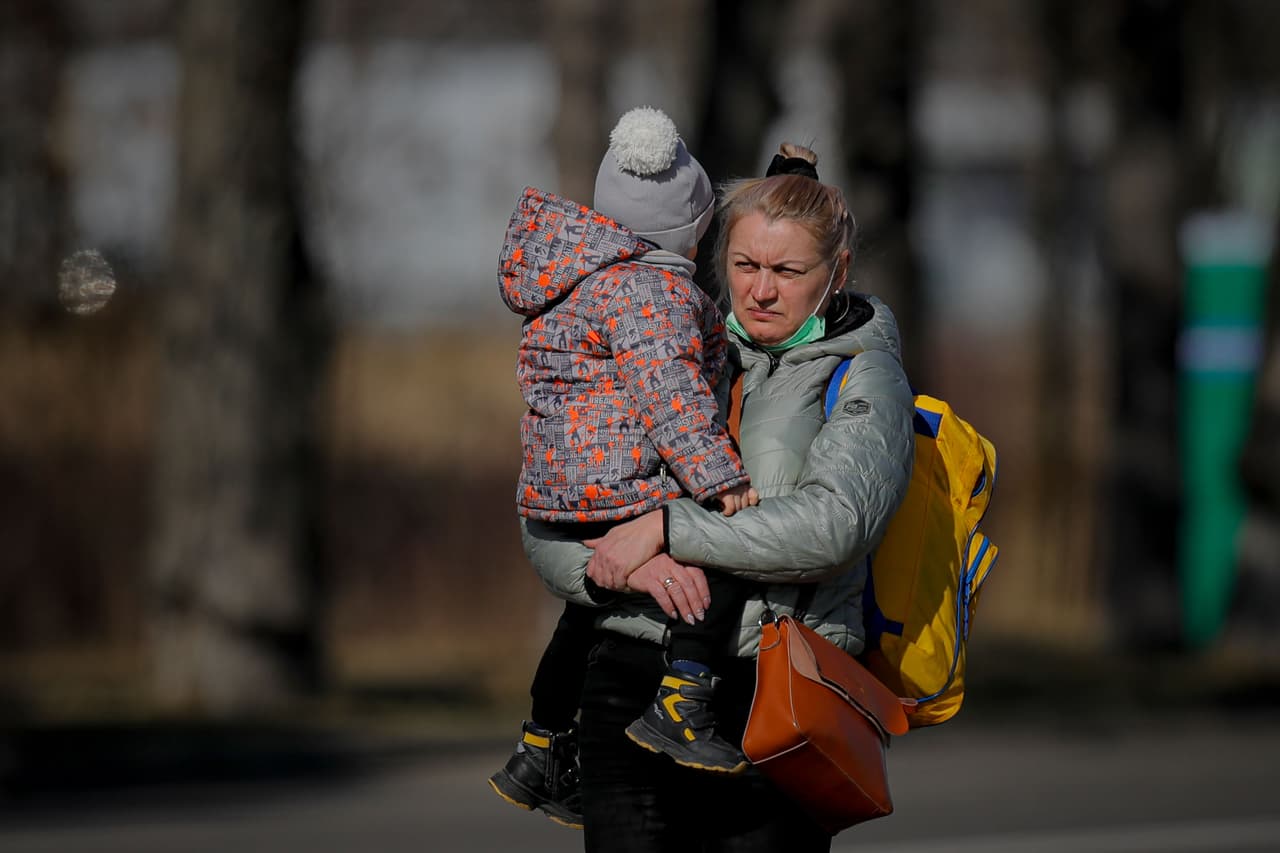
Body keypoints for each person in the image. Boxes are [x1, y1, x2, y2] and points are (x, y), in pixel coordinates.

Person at [519, 142, 918, 851]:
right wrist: (624, 567)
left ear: (838, 271)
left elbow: (834, 527)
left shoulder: (866, 376)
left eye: (787, 271)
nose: (761, 289)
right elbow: (549, 512)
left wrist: (667, 528)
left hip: (774, 698)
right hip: (623, 683)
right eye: (746, 266)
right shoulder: (661, 342)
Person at [488, 106, 763, 829]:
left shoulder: (576, 277)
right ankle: (687, 694)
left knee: (585, 612)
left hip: (559, 480)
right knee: (720, 549)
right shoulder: (654, 292)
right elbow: (667, 390)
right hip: (620, 473)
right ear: (685, 230)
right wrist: (718, 479)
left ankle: (541, 742)